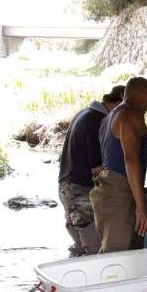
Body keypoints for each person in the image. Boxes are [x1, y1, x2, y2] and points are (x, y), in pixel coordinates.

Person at [58, 85, 125, 257]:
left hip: (67, 184)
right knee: (93, 250)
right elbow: (96, 167)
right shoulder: (98, 121)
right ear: (118, 103)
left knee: (79, 245)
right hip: (79, 189)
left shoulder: (85, 113)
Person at [89, 77, 147, 253]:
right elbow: (130, 160)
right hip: (118, 192)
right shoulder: (130, 115)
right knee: (116, 260)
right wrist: (141, 207)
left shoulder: (111, 115)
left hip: (110, 189)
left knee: (122, 256)